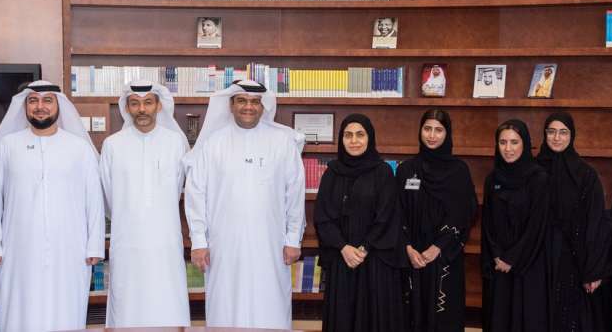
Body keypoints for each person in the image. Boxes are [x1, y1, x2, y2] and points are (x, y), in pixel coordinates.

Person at [0, 80, 105, 332]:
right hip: (17, 249)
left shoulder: (79, 148)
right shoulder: (7, 145)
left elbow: (94, 199)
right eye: (33, 101)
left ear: (58, 106)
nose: (40, 106)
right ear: (25, 106)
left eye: (47, 101)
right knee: (20, 309)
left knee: (66, 308)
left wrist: (95, 244)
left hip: (70, 249)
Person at [184, 79, 305, 329]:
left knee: (270, 303)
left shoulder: (282, 142)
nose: (248, 107)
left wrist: (293, 239)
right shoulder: (213, 143)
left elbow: (294, 193)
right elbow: (196, 194)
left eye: (254, 102)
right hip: (223, 245)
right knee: (225, 304)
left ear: (263, 106)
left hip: (271, 243)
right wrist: (199, 242)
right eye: (242, 100)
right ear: (231, 105)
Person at [98, 81, 191, 327]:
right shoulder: (112, 145)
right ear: (127, 108)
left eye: (148, 103)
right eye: (135, 103)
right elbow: (108, 194)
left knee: (167, 301)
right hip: (127, 239)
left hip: (165, 240)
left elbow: (179, 188)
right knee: (127, 304)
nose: (141, 109)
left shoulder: (176, 142)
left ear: (158, 106)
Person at [314, 113, 404, 332]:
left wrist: (363, 249)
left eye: (360, 134)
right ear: (341, 139)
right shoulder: (331, 173)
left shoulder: (383, 172)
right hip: (341, 259)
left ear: (369, 137)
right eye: (348, 135)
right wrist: (344, 248)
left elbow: (387, 216)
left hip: (374, 261)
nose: (354, 141)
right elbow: (322, 217)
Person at [397, 109, 477, 331]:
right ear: (420, 131)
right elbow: (396, 212)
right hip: (413, 257)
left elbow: (464, 213)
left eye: (438, 130)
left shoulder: (459, 171)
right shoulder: (406, 170)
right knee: (412, 314)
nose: (432, 135)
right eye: (427, 129)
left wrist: (437, 247)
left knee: (444, 317)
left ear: (447, 133)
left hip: (444, 257)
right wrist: (407, 247)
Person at [536, 112, 612, 332]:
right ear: (544, 135)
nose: (556, 138)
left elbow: (596, 223)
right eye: (551, 132)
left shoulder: (585, 174)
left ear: (572, 136)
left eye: (563, 132)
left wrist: (593, 270)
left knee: (570, 318)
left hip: (574, 259)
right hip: (538, 257)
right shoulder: (532, 170)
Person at [481, 119, 549, 332]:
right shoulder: (492, 179)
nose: (508, 149)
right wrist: (497, 255)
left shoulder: (538, 178)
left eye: (514, 142)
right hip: (498, 264)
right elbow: (488, 223)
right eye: (502, 142)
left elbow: (536, 225)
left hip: (527, 264)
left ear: (525, 144)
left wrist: (512, 258)